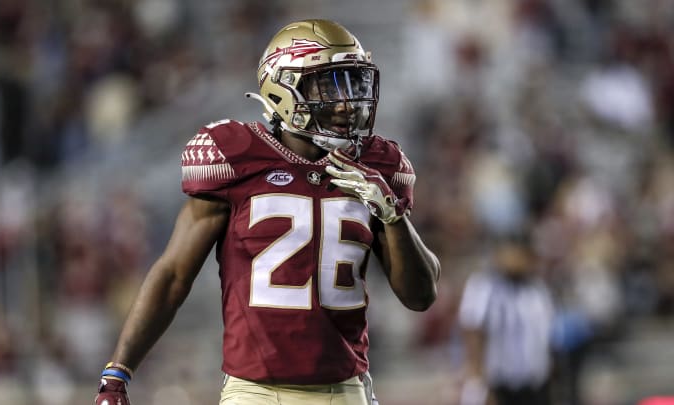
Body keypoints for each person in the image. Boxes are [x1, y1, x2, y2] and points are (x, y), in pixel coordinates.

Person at [95, 19, 441, 405]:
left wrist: (393, 214)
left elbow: (420, 296)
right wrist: (118, 371)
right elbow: (174, 275)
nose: (346, 102)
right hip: (255, 393)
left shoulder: (379, 166)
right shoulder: (236, 156)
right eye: (329, 85)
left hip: (345, 390)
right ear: (283, 87)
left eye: (353, 82)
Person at [458, 233, 554, 405]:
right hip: (499, 384)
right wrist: (477, 382)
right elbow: (473, 332)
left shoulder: (538, 291)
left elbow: (545, 340)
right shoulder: (484, 287)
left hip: (535, 385)